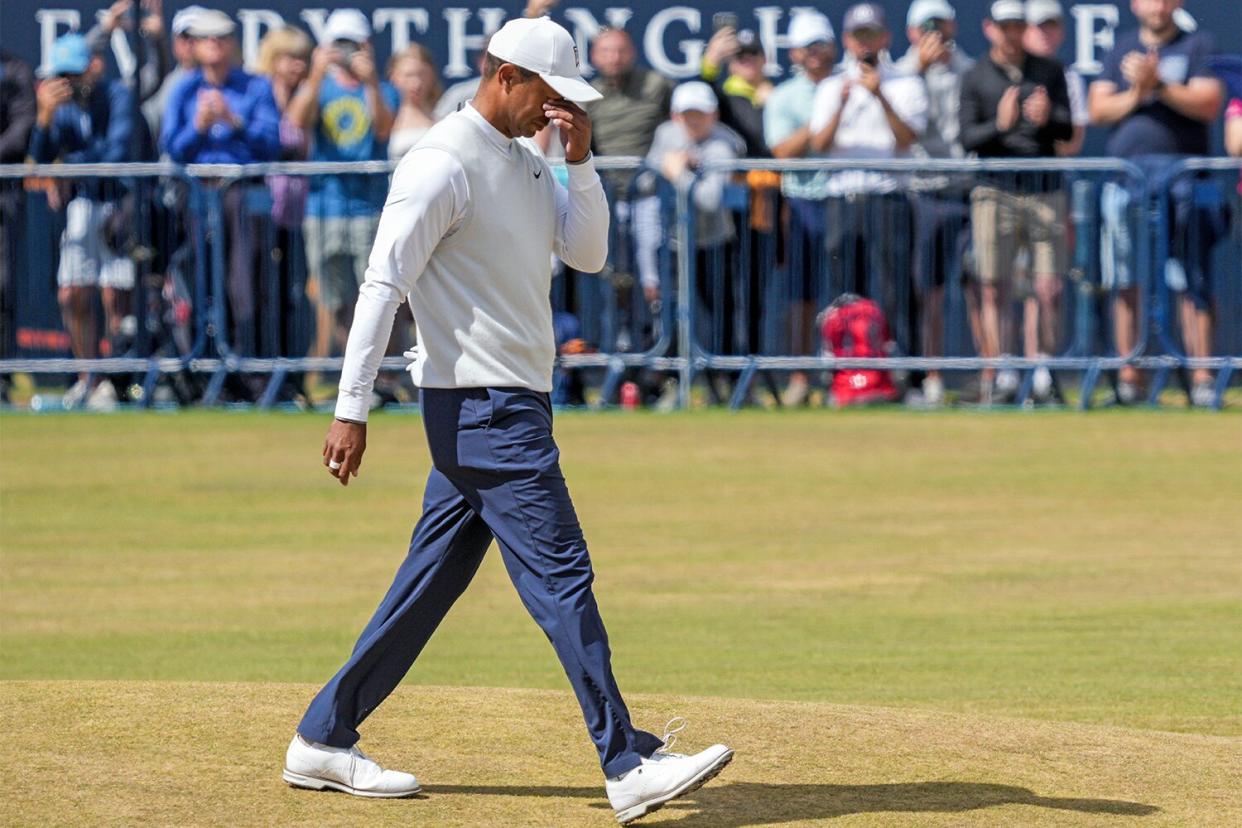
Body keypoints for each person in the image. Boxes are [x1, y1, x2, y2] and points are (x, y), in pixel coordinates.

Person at [283, 17, 732, 823]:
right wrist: (349, 409)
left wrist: (581, 159)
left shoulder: (529, 157)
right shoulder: (441, 162)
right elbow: (382, 286)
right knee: (563, 574)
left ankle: (323, 736)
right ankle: (624, 760)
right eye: (549, 94)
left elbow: (589, 252)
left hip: (503, 404)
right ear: (505, 78)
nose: (555, 109)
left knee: (426, 587)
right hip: (484, 407)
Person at [1089, 0, 1224, 407]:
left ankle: (1201, 378)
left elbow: (1209, 102)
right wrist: (1138, 91)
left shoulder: (1198, 45)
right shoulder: (1121, 48)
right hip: (1127, 180)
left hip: (1184, 180)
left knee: (1192, 279)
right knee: (1125, 280)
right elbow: (1099, 108)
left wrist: (1160, 86)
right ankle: (1131, 380)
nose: (1159, 5)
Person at [959, 0, 1072, 402]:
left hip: (1043, 189)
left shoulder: (1049, 71)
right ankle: (1002, 372)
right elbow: (967, 138)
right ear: (990, 28)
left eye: (1017, 25)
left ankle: (1043, 372)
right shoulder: (975, 75)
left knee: (1048, 286)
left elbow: (1067, 128)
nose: (1011, 33)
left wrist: (1047, 118)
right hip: (994, 190)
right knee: (993, 285)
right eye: (1004, 26)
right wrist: (1000, 125)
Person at [160, 10, 280, 373]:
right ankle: (206, 368)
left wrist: (233, 121)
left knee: (243, 282)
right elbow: (172, 146)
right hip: (197, 195)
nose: (213, 44)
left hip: (241, 195)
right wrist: (198, 127)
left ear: (231, 43)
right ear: (194, 46)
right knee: (199, 280)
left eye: (220, 37)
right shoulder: (183, 88)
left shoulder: (255, 86)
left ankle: (248, 368)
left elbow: (271, 143)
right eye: (205, 38)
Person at [288, 10, 398, 395]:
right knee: (333, 300)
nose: (346, 52)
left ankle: (380, 378)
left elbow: (383, 128)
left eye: (353, 44)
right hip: (325, 208)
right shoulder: (321, 86)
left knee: (375, 299)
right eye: (339, 44)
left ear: (367, 46)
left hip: (367, 208)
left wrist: (369, 81)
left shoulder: (382, 89)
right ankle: (352, 375)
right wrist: (317, 75)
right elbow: (296, 122)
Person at [809, 3, 928, 361]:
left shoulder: (906, 83)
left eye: (871, 35)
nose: (865, 43)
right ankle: (846, 368)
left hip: (888, 196)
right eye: (859, 36)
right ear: (846, 39)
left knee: (898, 289)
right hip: (842, 197)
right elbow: (819, 143)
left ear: (885, 37)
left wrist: (879, 95)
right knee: (843, 289)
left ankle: (907, 371)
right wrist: (843, 103)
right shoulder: (831, 86)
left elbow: (906, 139)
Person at [29, 33, 136, 411]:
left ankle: (110, 379)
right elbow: (39, 160)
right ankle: (86, 376)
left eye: (73, 74)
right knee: (71, 293)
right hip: (83, 207)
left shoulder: (119, 95)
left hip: (119, 207)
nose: (67, 82)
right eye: (61, 75)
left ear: (93, 67)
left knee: (114, 296)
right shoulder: (60, 105)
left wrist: (67, 166)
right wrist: (44, 117)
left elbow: (116, 153)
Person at [895, 0, 974, 406]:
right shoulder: (900, 72)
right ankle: (931, 375)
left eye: (940, 25)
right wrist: (919, 71)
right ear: (911, 31)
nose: (934, 33)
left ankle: (995, 375)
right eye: (926, 26)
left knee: (981, 285)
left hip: (966, 189)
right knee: (929, 291)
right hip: (923, 191)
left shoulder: (969, 68)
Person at [763, 11, 837, 406]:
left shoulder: (849, 86)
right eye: (809, 47)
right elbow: (781, 152)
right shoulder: (785, 96)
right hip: (802, 201)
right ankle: (800, 375)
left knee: (848, 292)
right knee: (802, 295)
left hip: (846, 197)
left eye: (821, 45)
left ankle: (850, 374)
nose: (816, 54)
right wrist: (825, 118)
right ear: (794, 52)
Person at [648, 82, 745, 365]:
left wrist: (679, 174)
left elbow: (710, 199)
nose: (692, 120)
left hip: (714, 242)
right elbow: (644, 180)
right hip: (673, 241)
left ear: (713, 115)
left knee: (721, 314)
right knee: (668, 313)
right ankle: (668, 380)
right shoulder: (665, 134)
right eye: (686, 114)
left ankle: (725, 377)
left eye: (699, 114)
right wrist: (668, 167)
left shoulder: (723, 144)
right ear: (675, 116)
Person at [1, 51, 36, 403]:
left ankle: (1, 379)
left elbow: (22, 126)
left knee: (1, 287)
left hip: (3, 197)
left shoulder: (13, 70)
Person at [701, 26, 773, 158]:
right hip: (735, 175)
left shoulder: (779, 96)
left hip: (775, 174)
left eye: (753, 54)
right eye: (740, 56)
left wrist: (773, 103)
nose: (748, 60)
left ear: (765, 59)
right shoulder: (724, 101)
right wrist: (710, 63)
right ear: (731, 64)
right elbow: (701, 96)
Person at [144, 4, 206, 144]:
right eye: (185, 36)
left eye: (199, 36)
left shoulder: (229, 84)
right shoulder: (161, 84)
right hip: (169, 164)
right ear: (175, 42)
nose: (191, 42)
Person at [387, 44, 441, 160]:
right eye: (409, 75)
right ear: (394, 76)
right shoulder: (386, 116)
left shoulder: (444, 113)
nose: (416, 83)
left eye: (422, 75)